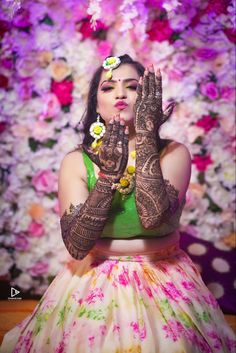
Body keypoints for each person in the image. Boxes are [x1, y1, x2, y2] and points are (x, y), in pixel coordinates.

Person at [0, 54, 235, 353]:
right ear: (96, 105)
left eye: (133, 86)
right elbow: (76, 246)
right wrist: (108, 176)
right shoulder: (75, 161)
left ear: (149, 97)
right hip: (91, 278)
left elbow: (153, 218)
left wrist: (147, 136)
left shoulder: (175, 153)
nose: (121, 94)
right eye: (109, 87)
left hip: (163, 276)